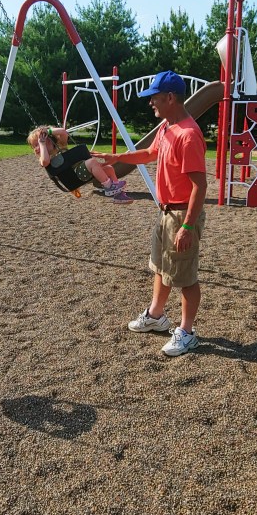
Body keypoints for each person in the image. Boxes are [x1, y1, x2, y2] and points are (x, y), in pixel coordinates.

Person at [97, 70, 207, 355]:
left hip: (182, 215)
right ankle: (156, 315)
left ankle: (187, 332)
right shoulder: (167, 128)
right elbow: (149, 154)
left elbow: (200, 186)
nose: (150, 103)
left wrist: (187, 227)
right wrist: (117, 157)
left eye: (154, 97)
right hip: (166, 211)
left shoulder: (188, 135)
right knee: (160, 266)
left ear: (170, 97)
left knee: (185, 276)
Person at [27, 125, 133, 204]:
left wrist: (48, 130)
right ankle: (109, 187)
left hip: (83, 171)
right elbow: (45, 162)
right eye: (34, 146)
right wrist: (42, 144)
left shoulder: (61, 145)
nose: (36, 148)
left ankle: (118, 195)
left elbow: (63, 132)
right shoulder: (46, 157)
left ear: (50, 139)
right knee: (92, 162)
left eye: (38, 143)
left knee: (109, 168)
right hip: (74, 177)